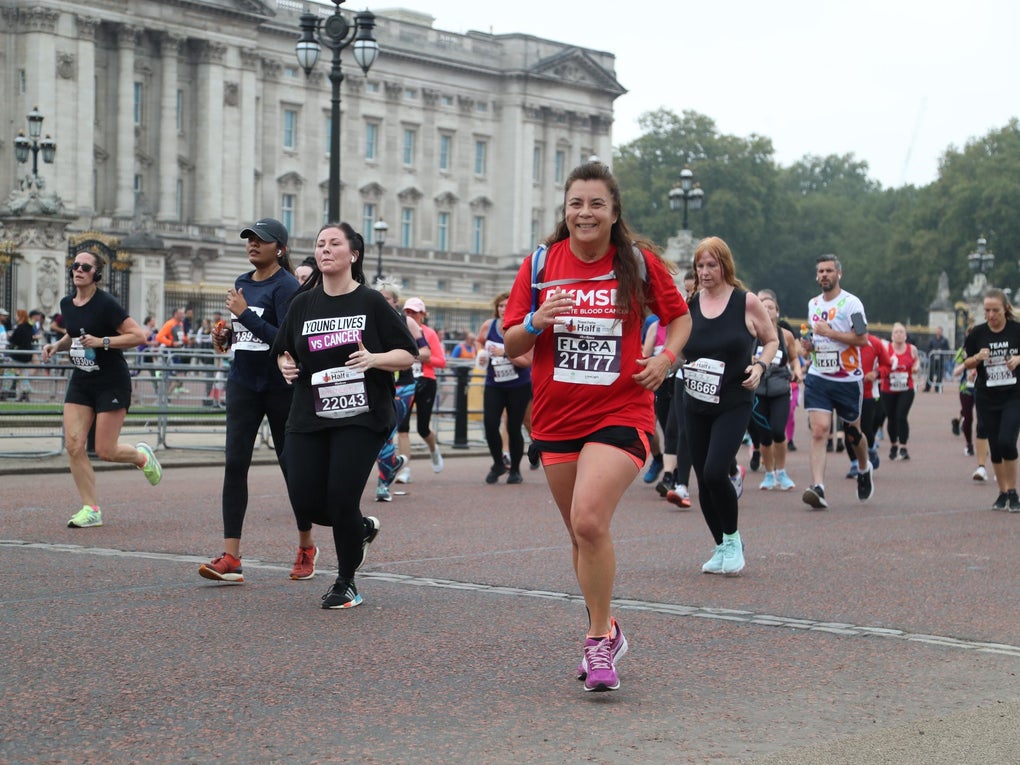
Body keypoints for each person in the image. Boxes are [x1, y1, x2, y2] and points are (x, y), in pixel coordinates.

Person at [502, 161, 691, 692]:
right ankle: (607, 626)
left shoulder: (637, 262)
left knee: (588, 520)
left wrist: (667, 358)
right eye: (576, 204)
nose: (585, 213)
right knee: (580, 536)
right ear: (565, 211)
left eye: (596, 204)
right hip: (556, 418)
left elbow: (680, 318)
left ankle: (597, 641)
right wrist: (537, 321)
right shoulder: (540, 264)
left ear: (613, 212)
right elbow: (512, 341)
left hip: (621, 412)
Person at [273, 222, 417, 608]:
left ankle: (346, 582)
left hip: (361, 414)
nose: (325, 249)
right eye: (320, 243)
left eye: (334, 243)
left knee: (341, 497)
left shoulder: (371, 303)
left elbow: (407, 353)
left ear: (353, 254)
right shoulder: (303, 304)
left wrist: (373, 358)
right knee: (303, 498)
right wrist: (285, 363)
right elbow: (284, 348)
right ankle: (362, 527)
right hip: (310, 412)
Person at [198, 218, 314, 584]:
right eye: (249, 238)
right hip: (243, 383)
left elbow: (286, 339)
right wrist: (225, 335)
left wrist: (243, 313)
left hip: (280, 387)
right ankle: (232, 556)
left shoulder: (286, 287)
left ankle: (306, 546)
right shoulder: (242, 283)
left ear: (279, 248)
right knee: (235, 465)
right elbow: (243, 336)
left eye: (260, 240)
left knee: (291, 466)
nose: (252, 244)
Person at [40, 250, 163, 527]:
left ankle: (142, 456)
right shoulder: (66, 303)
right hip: (82, 381)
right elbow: (73, 331)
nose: (79, 270)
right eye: (75, 265)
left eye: (85, 266)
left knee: (105, 450)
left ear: (96, 274)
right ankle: (91, 508)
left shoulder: (106, 303)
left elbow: (139, 336)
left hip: (111, 381)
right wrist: (55, 346)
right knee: (73, 445)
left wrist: (102, 342)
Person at [681, 238, 777, 577]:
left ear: (725, 266)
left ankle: (734, 540)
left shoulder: (745, 302)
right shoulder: (690, 302)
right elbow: (677, 346)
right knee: (702, 480)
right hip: (694, 399)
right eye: (700, 266)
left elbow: (772, 339)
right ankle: (720, 544)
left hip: (733, 400)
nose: (705, 272)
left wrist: (761, 366)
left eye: (711, 265)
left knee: (714, 471)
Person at [799, 255, 874, 509]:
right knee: (819, 430)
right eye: (820, 271)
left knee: (853, 434)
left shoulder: (852, 304)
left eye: (829, 270)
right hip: (819, 376)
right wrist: (808, 346)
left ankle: (864, 468)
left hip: (847, 378)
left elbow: (863, 339)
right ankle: (818, 487)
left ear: (839, 274)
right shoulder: (813, 304)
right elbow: (814, 339)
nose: (824, 275)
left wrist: (830, 333)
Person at [961, 288, 1020, 512]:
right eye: (987, 310)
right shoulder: (977, 333)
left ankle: (1014, 492)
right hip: (986, 395)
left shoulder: (1016, 330)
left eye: (995, 310)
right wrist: (977, 358)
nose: (991, 315)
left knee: (1007, 440)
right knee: (995, 446)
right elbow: (966, 362)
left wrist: (1018, 358)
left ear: (1005, 309)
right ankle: (1003, 492)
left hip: (1014, 394)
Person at [476, 291, 533, 484]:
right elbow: (479, 341)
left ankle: (515, 470)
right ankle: (498, 463)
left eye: (507, 306)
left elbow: (527, 362)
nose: (503, 310)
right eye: (500, 306)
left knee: (513, 427)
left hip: (519, 385)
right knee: (490, 425)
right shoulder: (489, 325)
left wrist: (506, 353)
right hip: (494, 384)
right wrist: (481, 353)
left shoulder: (521, 329)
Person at [374, 281, 423, 502]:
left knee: (388, 432)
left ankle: (382, 485)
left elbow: (425, 350)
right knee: (379, 433)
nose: (381, 303)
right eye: (379, 299)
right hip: (379, 383)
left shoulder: (407, 322)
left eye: (386, 299)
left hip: (403, 384)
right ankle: (393, 463)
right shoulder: (370, 320)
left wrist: (403, 354)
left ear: (395, 302)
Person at [750, 290, 801, 491]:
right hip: (758, 389)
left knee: (778, 431)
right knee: (764, 434)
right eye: (763, 307)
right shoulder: (752, 333)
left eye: (771, 307)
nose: (767, 310)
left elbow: (795, 358)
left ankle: (782, 471)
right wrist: (751, 361)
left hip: (780, 387)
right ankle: (769, 474)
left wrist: (797, 370)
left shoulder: (785, 335)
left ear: (777, 312)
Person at [395, 297, 446, 480]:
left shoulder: (429, 334)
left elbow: (442, 361)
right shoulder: (398, 329)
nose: (410, 315)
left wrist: (416, 357)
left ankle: (433, 449)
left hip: (426, 381)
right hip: (404, 381)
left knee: (423, 428)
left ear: (422, 315)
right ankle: (405, 470)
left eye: (414, 312)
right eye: (407, 312)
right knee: (403, 427)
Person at [845, 332, 890, 478]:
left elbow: (886, 365)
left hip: (867, 393)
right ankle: (854, 463)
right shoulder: (842, 340)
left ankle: (870, 448)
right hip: (846, 392)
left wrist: (876, 373)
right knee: (849, 430)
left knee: (865, 429)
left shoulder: (874, 343)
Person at [880, 322, 920, 461]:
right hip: (888, 388)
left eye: (901, 332)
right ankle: (893, 445)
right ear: (892, 335)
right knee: (891, 418)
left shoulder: (911, 349)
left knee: (901, 416)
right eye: (896, 332)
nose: (899, 334)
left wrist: (916, 367)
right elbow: (879, 362)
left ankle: (903, 447)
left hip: (906, 388)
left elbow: (917, 361)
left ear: (905, 335)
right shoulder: (886, 348)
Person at [925, 325, 950, 392]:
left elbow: (947, 349)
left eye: (940, 331)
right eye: (937, 331)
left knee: (940, 374)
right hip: (933, 359)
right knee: (930, 373)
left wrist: (942, 350)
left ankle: (937, 388)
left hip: (941, 360)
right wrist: (932, 351)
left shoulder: (945, 340)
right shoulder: (932, 340)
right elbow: (928, 348)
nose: (938, 332)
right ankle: (927, 388)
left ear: (942, 332)